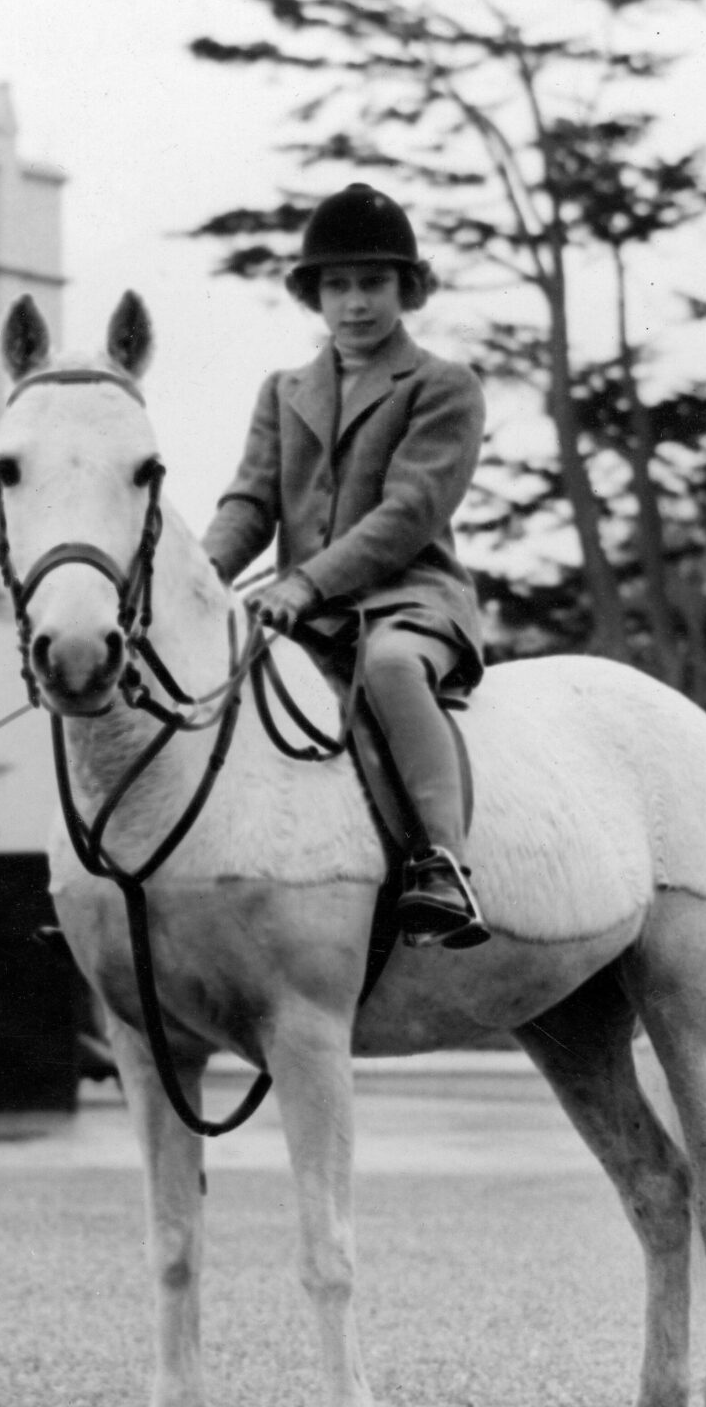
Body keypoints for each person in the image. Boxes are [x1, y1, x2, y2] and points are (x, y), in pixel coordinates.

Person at [200, 182, 493, 949]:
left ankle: (444, 866)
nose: (355, 303)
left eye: (373, 283)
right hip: (304, 614)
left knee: (393, 668)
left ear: (407, 289)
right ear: (314, 294)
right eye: (337, 285)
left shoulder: (443, 387)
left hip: (408, 601)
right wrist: (195, 579)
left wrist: (305, 582)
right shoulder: (284, 390)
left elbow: (406, 516)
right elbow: (250, 503)